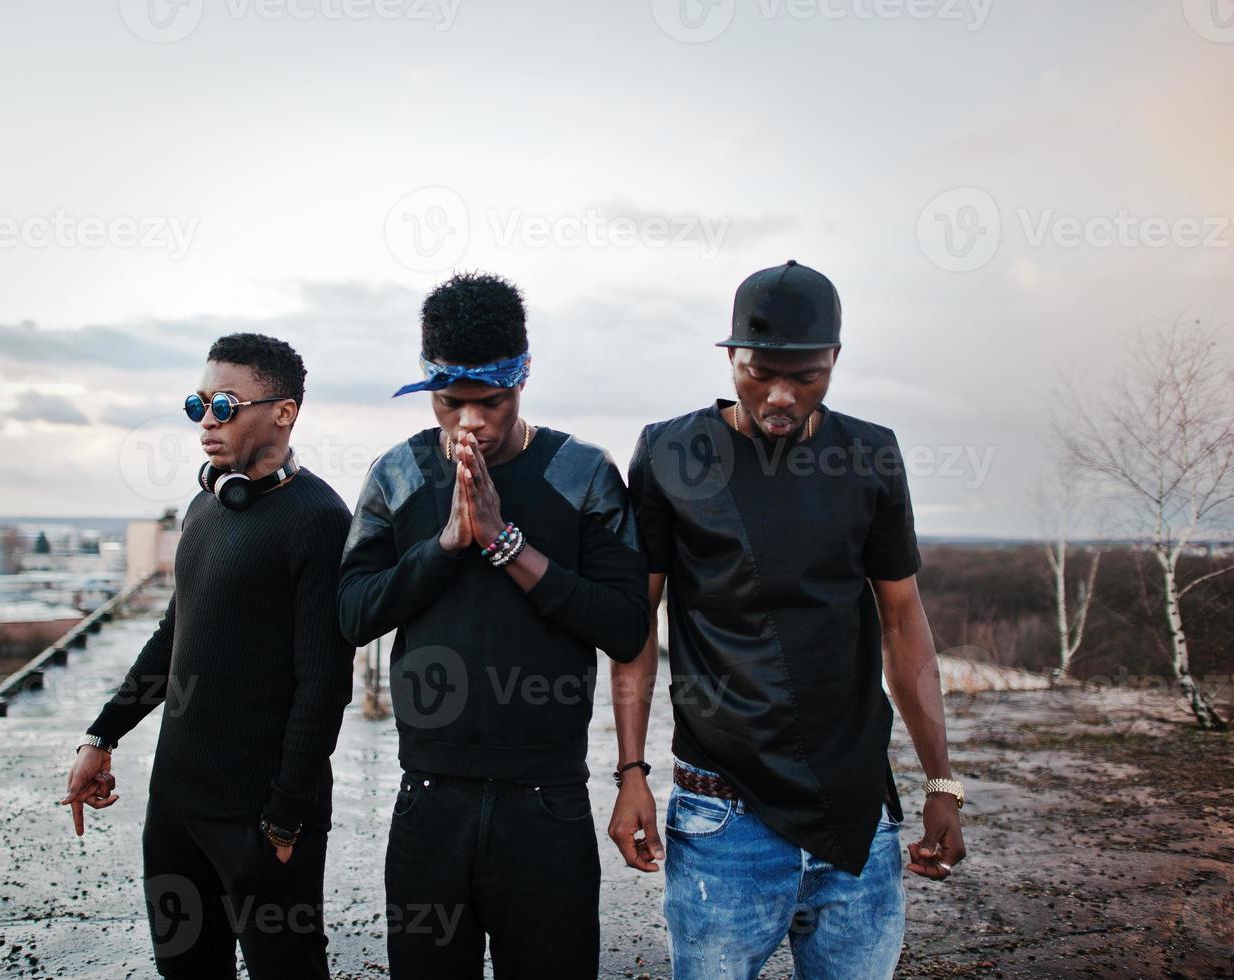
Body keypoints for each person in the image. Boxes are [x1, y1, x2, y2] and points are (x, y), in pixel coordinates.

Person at [609, 261, 969, 979]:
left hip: (856, 807)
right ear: (730, 356)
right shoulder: (670, 452)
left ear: (833, 359)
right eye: (758, 371)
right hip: (722, 819)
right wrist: (630, 772)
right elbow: (633, 627)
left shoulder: (869, 453)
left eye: (804, 376)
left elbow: (902, 621)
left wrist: (941, 781)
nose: (778, 394)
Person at [338, 271, 649, 979]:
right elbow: (353, 614)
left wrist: (508, 545)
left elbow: (627, 627)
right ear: (428, 388)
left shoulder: (581, 474)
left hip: (547, 803)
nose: (470, 423)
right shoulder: (398, 474)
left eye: (491, 402)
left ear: (525, 377)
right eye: (452, 404)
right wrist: (445, 546)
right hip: (428, 798)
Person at [59, 333, 354, 979]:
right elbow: (175, 637)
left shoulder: (319, 520)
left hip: (263, 815)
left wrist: (284, 818)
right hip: (175, 806)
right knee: (184, 968)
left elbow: (324, 683)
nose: (205, 423)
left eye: (223, 404)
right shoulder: (206, 505)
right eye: (196, 406)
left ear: (283, 411)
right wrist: (101, 736)